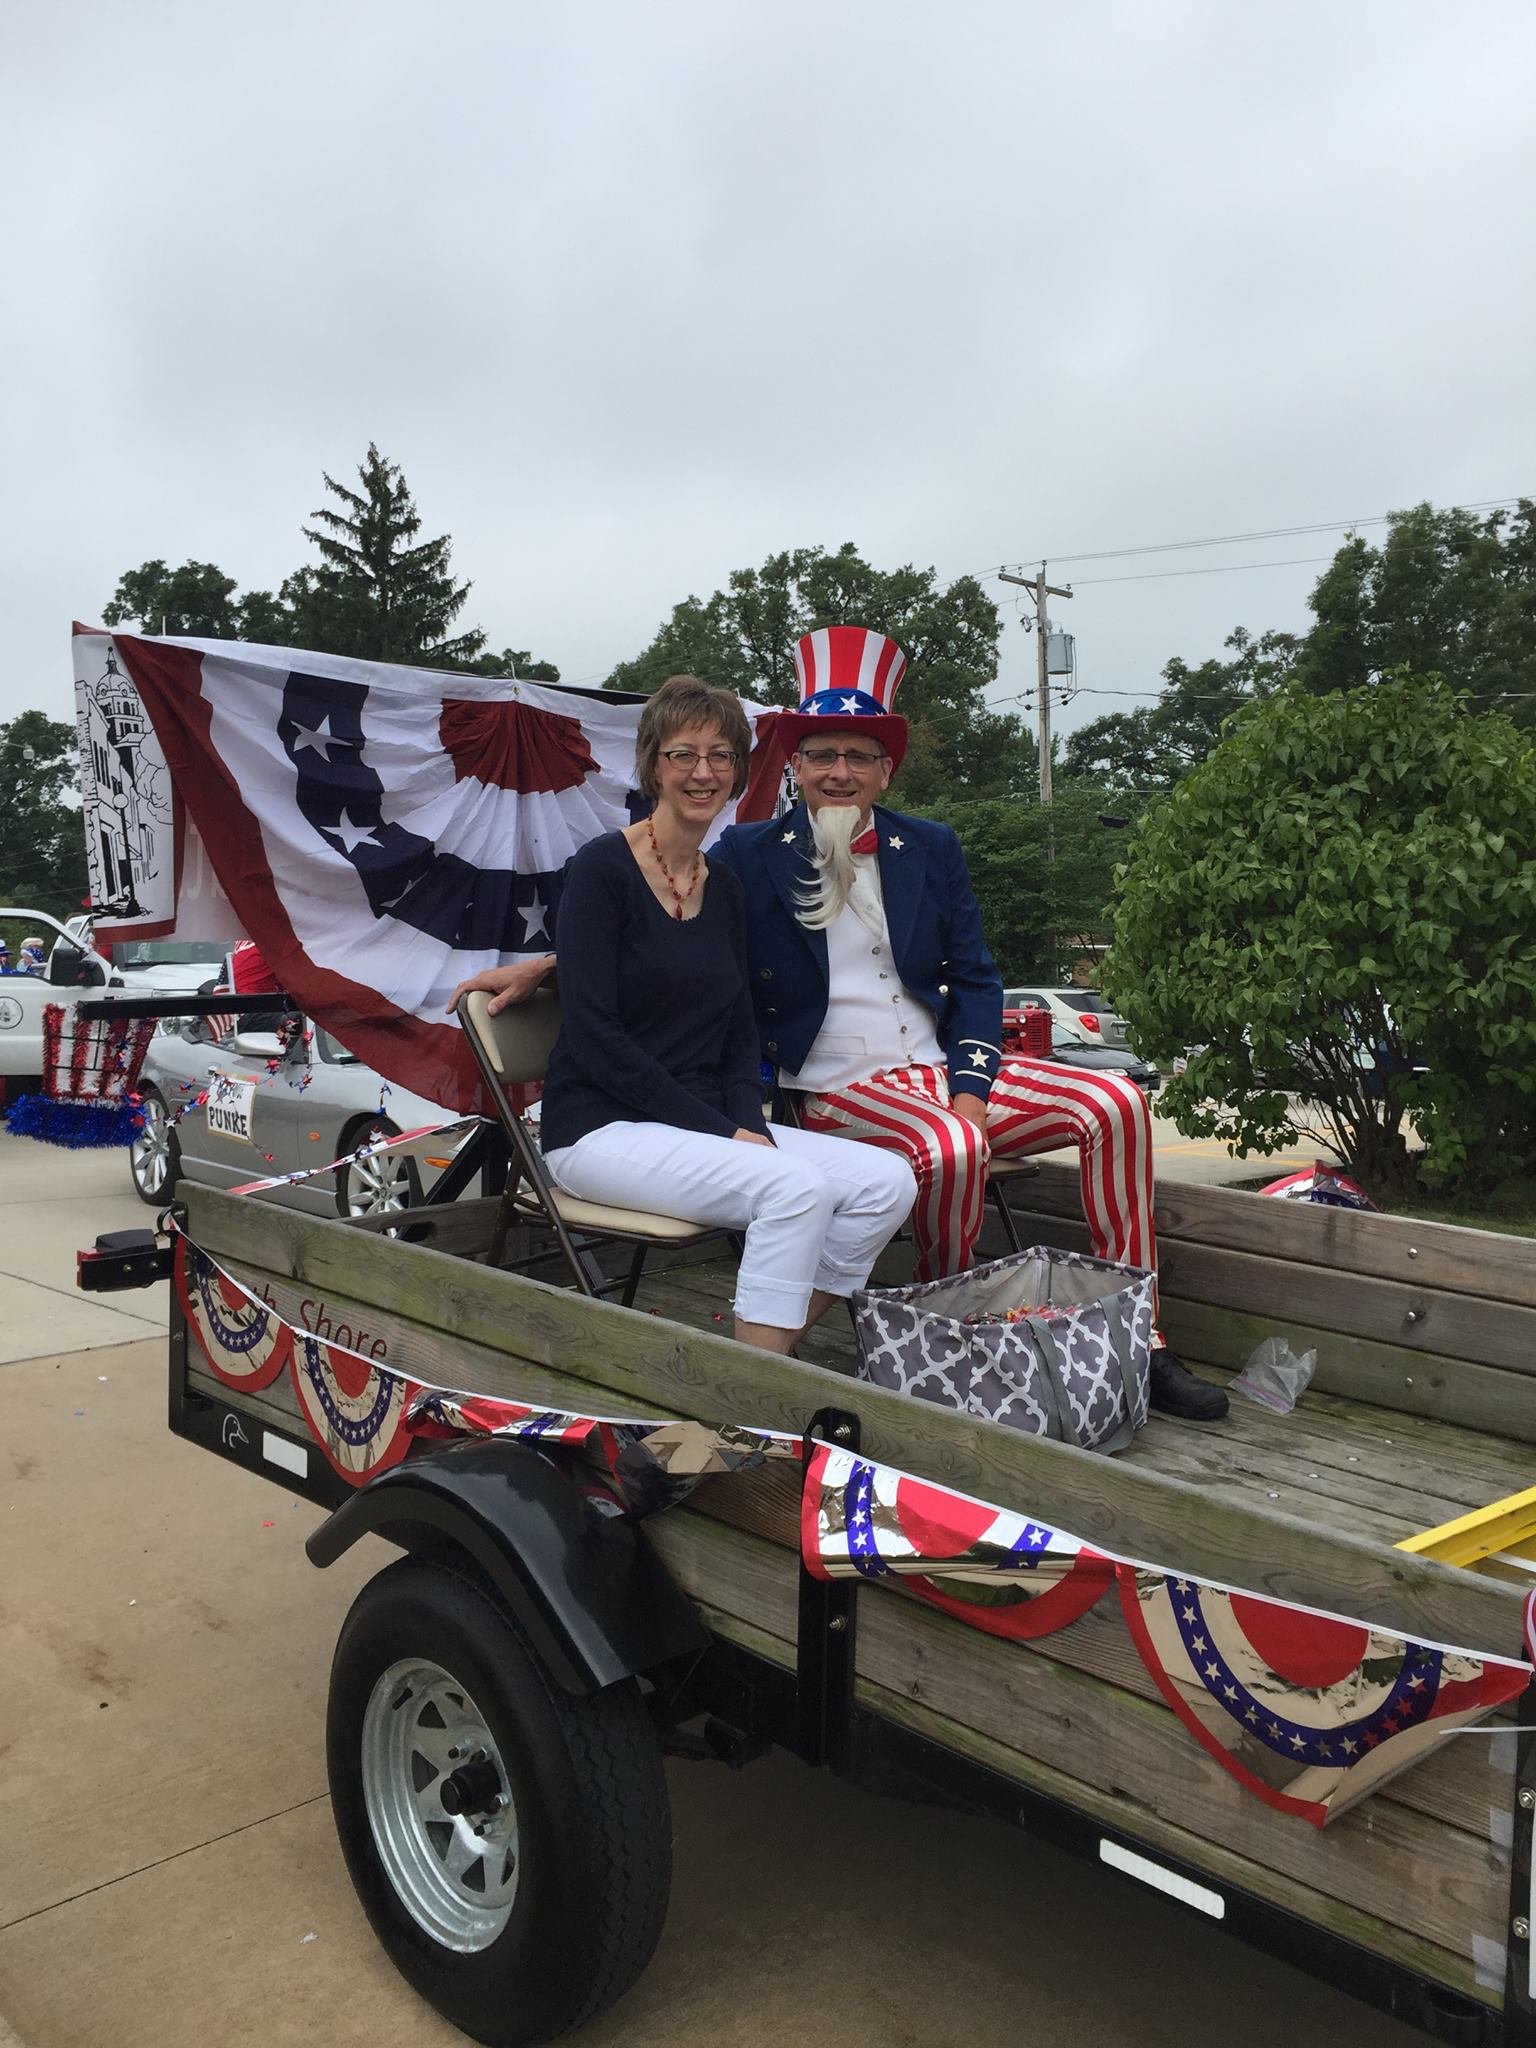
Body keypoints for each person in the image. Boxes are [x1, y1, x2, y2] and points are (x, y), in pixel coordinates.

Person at [451, 633, 1224, 1420]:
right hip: (810, 1086)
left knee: (1117, 1104)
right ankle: (930, 1340)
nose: (840, 771)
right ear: (791, 766)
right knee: (912, 1159)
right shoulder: (751, 856)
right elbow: (623, 951)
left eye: (859, 754)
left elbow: (970, 977)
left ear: (886, 768)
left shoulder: (905, 851)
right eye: (821, 753)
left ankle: (1145, 1338)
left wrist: (970, 1086)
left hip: (923, 1069)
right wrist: (548, 967)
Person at [509, 673, 913, 1358]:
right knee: (794, 1190)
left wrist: (746, 1124)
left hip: (702, 1126)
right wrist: (726, 1131)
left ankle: (766, 1349)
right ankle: (754, 1395)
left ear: (740, 770)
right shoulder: (600, 870)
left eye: (722, 756)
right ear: (652, 766)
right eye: (684, 755)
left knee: (885, 1182)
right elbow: (597, 1037)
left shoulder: (722, 884)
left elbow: (736, 1029)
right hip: (599, 1129)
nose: (704, 773)